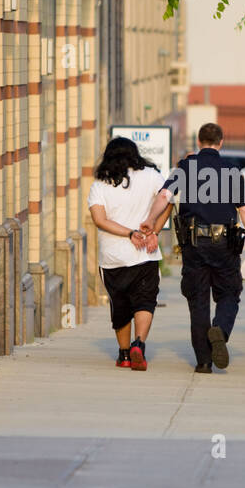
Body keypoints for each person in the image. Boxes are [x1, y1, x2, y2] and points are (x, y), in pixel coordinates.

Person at [142, 122, 245, 373]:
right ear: (221, 142)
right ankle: (221, 329)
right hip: (225, 244)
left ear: (198, 142)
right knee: (229, 293)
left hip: (194, 244)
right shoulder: (231, 170)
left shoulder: (186, 167)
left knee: (198, 300)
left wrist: (151, 221)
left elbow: (164, 196)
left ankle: (204, 361)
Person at [87, 137, 163, 370]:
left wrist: (129, 233)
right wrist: (154, 232)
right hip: (146, 256)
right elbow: (168, 199)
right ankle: (138, 343)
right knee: (145, 302)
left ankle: (124, 355)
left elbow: (99, 220)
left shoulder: (100, 184)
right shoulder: (151, 175)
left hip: (113, 259)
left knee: (120, 306)